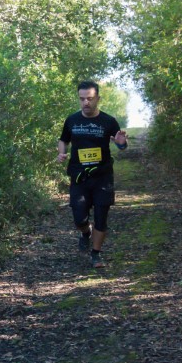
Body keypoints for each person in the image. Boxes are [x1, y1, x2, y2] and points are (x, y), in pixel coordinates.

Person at [57, 81, 128, 270]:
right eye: (82, 99)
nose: (85, 102)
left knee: (101, 217)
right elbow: (63, 140)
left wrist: (121, 143)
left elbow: (121, 144)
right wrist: (61, 153)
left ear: (98, 98)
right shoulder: (72, 120)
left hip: (102, 176)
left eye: (89, 98)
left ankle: (96, 254)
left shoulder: (109, 121)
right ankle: (85, 233)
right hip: (79, 176)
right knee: (79, 218)